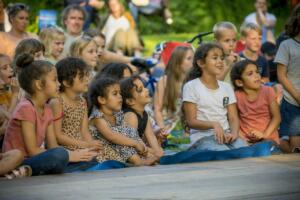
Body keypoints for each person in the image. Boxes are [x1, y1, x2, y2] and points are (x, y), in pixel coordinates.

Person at [1, 53, 71, 176]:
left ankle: (22, 173)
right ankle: (17, 171)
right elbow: (32, 150)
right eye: (55, 80)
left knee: (64, 155)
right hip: (19, 160)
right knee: (60, 155)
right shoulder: (26, 108)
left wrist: (70, 155)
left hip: (34, 159)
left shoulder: (48, 109)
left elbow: (53, 146)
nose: (59, 84)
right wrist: (69, 155)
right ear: (39, 85)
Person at [182, 43, 247, 151]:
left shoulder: (226, 87)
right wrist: (214, 124)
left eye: (222, 58)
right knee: (223, 153)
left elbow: (233, 117)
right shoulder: (191, 86)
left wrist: (234, 134)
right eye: (215, 58)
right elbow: (191, 121)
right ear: (201, 63)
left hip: (226, 136)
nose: (220, 61)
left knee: (244, 150)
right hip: (202, 138)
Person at [88, 77, 157, 166]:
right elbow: (112, 137)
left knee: (128, 132)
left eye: (120, 93)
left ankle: (146, 153)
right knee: (123, 140)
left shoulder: (118, 115)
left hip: (116, 148)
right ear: (102, 100)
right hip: (103, 151)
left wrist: (140, 144)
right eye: (115, 94)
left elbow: (130, 133)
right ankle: (139, 161)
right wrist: (135, 143)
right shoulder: (98, 118)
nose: (120, 96)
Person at [50, 57, 104, 158]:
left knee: (101, 156)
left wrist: (92, 145)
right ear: (66, 82)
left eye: (87, 75)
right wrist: (87, 145)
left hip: (81, 146)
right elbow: (58, 136)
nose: (87, 79)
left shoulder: (82, 101)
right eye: (81, 77)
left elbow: (84, 131)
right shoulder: (57, 102)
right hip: (65, 149)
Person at [231, 59, 280, 145]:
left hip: (268, 138)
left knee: (266, 148)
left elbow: (277, 118)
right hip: (245, 139)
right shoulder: (236, 95)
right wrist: (241, 137)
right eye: (250, 74)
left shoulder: (268, 91)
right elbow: (234, 119)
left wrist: (264, 135)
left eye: (257, 72)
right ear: (239, 82)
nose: (257, 75)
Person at [274, 4, 300, 153]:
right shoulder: (287, 45)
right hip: (292, 101)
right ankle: (283, 142)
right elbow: (281, 75)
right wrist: (296, 95)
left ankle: (283, 142)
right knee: (296, 148)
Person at [120, 75, 164, 157]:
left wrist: (157, 150)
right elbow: (134, 141)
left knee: (159, 153)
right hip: (126, 150)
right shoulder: (130, 116)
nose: (147, 90)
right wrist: (154, 152)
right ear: (130, 101)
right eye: (140, 90)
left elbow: (150, 135)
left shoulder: (144, 114)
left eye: (144, 87)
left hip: (139, 147)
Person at [154, 46, 193, 133]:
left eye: (193, 58)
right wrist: (162, 131)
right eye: (189, 58)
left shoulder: (193, 82)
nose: (193, 62)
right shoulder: (164, 81)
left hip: (179, 124)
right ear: (178, 62)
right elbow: (157, 110)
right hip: (161, 122)